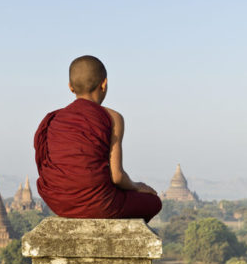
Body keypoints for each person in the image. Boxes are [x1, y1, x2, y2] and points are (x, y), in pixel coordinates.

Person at [34, 55, 162, 222]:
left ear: (71, 87)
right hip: (100, 203)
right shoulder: (113, 117)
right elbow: (117, 176)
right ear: (104, 84)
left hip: (59, 203)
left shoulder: (54, 119)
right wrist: (137, 186)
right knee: (154, 202)